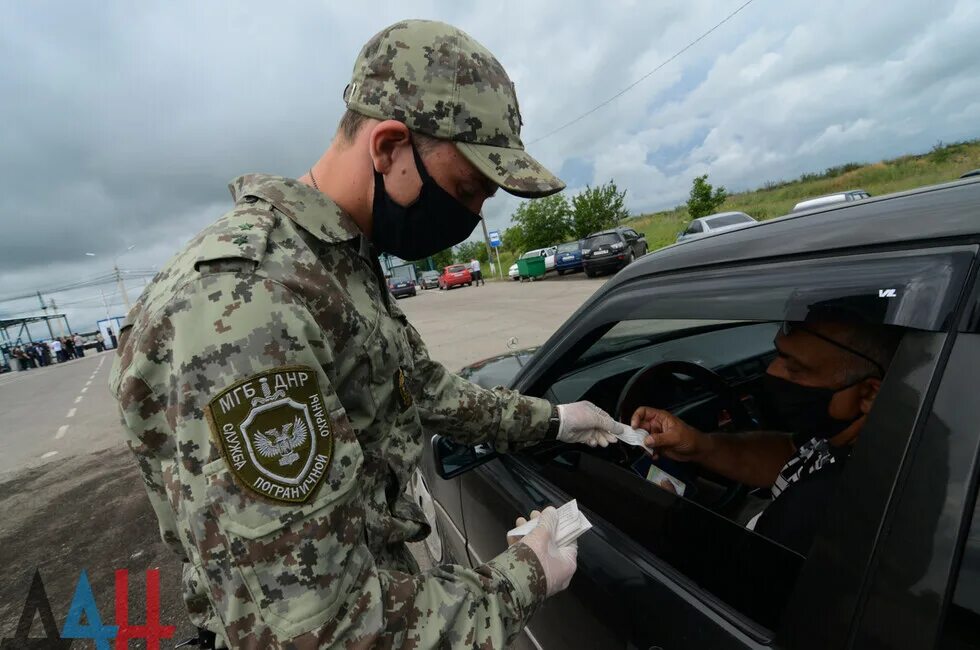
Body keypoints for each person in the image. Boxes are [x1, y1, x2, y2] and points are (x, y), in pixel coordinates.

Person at [111, 20, 625, 649]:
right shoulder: (248, 305)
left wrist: (557, 420)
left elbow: (422, 389)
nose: (473, 216)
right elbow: (329, 630)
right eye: (467, 189)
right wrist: (526, 575)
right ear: (387, 147)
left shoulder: (336, 261)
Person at [631, 317, 902, 555]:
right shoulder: (844, 434)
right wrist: (701, 445)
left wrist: (672, 515)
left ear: (868, 394)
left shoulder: (822, 508)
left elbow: (734, 587)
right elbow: (790, 452)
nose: (772, 371)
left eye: (796, 368)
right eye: (779, 355)